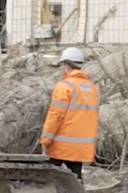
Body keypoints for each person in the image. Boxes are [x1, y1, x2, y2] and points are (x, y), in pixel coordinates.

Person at [39, 45, 101, 177]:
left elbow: (55, 116)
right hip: (82, 148)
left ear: (66, 66)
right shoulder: (92, 89)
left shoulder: (64, 87)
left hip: (61, 147)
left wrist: (45, 141)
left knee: (46, 178)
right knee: (76, 179)